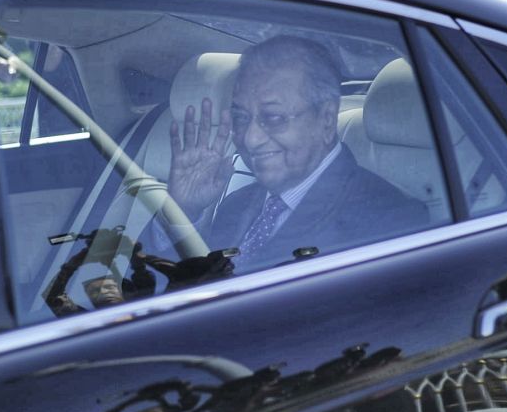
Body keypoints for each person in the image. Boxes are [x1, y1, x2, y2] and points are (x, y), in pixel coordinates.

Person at [167, 35, 428, 273]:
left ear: (326, 119)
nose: (250, 139)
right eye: (241, 117)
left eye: (274, 117)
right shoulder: (235, 205)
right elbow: (175, 286)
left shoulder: (388, 223)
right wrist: (182, 212)